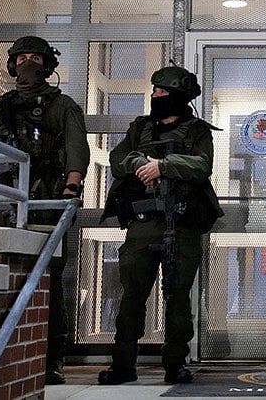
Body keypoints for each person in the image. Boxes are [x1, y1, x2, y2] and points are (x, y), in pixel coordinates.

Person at [0, 35, 89, 386]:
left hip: (45, 199)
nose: (27, 64)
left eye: (34, 57)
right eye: (21, 57)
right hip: (5, 198)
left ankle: (52, 358)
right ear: (11, 64)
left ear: (47, 64)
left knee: (47, 278)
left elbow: (75, 147)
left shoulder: (61, 105)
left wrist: (72, 185)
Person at [97, 65, 224, 386]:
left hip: (181, 224)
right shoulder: (140, 128)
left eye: (162, 92)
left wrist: (163, 166)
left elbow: (202, 165)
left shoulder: (197, 131)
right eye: (154, 92)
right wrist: (140, 163)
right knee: (131, 296)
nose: (155, 97)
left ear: (179, 96)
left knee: (178, 296)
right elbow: (117, 159)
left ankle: (175, 363)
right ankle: (123, 365)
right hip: (142, 224)